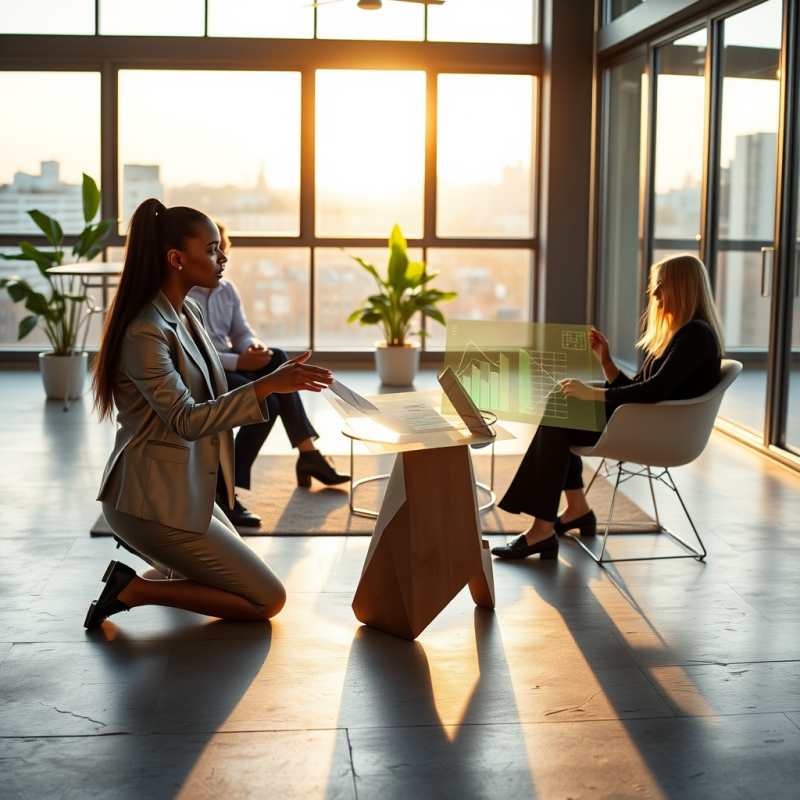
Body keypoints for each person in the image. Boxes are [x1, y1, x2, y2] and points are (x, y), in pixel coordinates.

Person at [86, 199, 334, 629]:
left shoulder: (190, 311)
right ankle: (133, 590)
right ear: (177, 259)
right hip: (147, 502)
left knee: (223, 579)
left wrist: (268, 376)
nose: (222, 259)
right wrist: (268, 384)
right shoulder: (146, 329)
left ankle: (148, 577)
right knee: (268, 600)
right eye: (213, 249)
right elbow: (185, 420)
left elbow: (215, 395)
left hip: (183, 488)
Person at [492, 253, 725, 560]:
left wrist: (591, 394)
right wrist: (606, 362)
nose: (654, 295)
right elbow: (639, 388)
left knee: (562, 411)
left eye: (662, 286)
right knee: (562, 405)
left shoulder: (696, 335)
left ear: (683, 288)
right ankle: (574, 511)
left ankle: (545, 528)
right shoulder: (684, 334)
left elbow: (650, 391)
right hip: (646, 422)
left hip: (655, 432)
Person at [188, 222, 349, 528]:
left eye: (223, 249)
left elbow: (241, 331)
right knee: (269, 403)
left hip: (234, 361)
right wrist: (240, 362)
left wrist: (253, 347)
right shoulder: (185, 294)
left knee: (276, 355)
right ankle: (225, 493)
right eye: (212, 250)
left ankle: (307, 453)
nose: (221, 256)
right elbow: (193, 352)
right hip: (208, 370)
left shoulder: (227, 290)